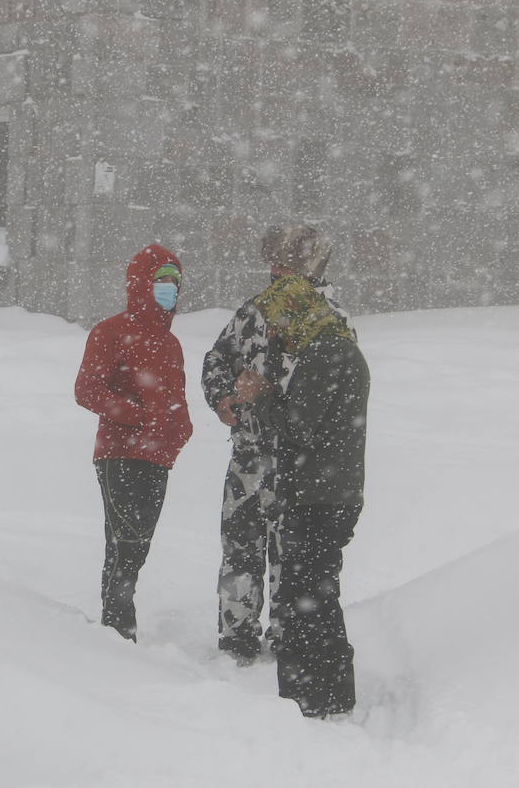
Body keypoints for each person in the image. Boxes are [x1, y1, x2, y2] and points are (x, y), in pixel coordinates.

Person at [200, 224, 348, 664]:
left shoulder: (329, 321)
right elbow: (217, 358)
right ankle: (237, 636)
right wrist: (222, 396)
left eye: (286, 264)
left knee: (292, 555)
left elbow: (330, 395)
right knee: (240, 549)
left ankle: (288, 635)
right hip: (249, 455)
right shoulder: (254, 312)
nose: (276, 272)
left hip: (300, 462)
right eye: (273, 263)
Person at [233, 272, 368, 718]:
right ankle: (326, 693)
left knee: (305, 599)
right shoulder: (334, 346)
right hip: (328, 493)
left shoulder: (327, 351)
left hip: (319, 497)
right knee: (314, 594)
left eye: (279, 321)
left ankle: (310, 698)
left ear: (297, 312)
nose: (276, 333)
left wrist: (257, 395)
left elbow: (297, 426)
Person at [74, 244, 193, 642]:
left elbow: (177, 398)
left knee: (137, 542)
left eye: (175, 282)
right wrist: (136, 417)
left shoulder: (171, 344)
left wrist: (179, 432)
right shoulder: (110, 332)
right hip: (119, 453)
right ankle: (119, 625)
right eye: (162, 281)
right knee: (127, 539)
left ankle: (117, 623)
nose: (169, 290)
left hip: (158, 458)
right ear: (142, 284)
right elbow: (87, 389)